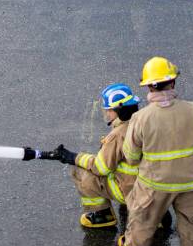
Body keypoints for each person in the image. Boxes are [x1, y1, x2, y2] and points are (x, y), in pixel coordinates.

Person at [118, 56, 193, 246]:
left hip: (154, 184)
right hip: (189, 181)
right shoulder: (192, 109)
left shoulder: (141, 117)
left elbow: (131, 156)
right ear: (173, 82)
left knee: (143, 220)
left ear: (149, 86)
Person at [50, 84, 143, 228]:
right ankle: (156, 217)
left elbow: (100, 168)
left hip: (131, 191)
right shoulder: (144, 124)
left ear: (118, 110)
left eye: (109, 110)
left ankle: (102, 215)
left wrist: (73, 157)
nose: (107, 113)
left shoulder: (118, 135)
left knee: (79, 171)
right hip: (152, 190)